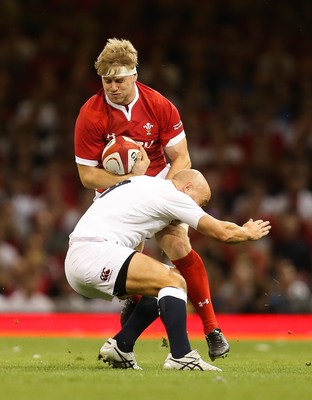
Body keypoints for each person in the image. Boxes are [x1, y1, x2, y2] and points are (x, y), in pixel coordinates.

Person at [74, 38, 228, 361]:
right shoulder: (90, 115)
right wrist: (132, 184)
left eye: (118, 80)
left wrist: (164, 196)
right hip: (115, 196)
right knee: (139, 277)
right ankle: (127, 335)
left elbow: (181, 157)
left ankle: (212, 329)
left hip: (159, 182)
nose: (112, 87)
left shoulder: (159, 104)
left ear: (134, 76)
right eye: (106, 81)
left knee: (178, 245)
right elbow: (88, 177)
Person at [64, 169, 271, 370]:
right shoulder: (172, 194)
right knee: (175, 281)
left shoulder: (143, 183)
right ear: (188, 187)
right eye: (201, 201)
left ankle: (122, 346)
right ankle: (181, 356)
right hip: (95, 253)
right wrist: (246, 232)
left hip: (80, 258)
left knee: (160, 286)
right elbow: (222, 233)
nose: (199, 207)